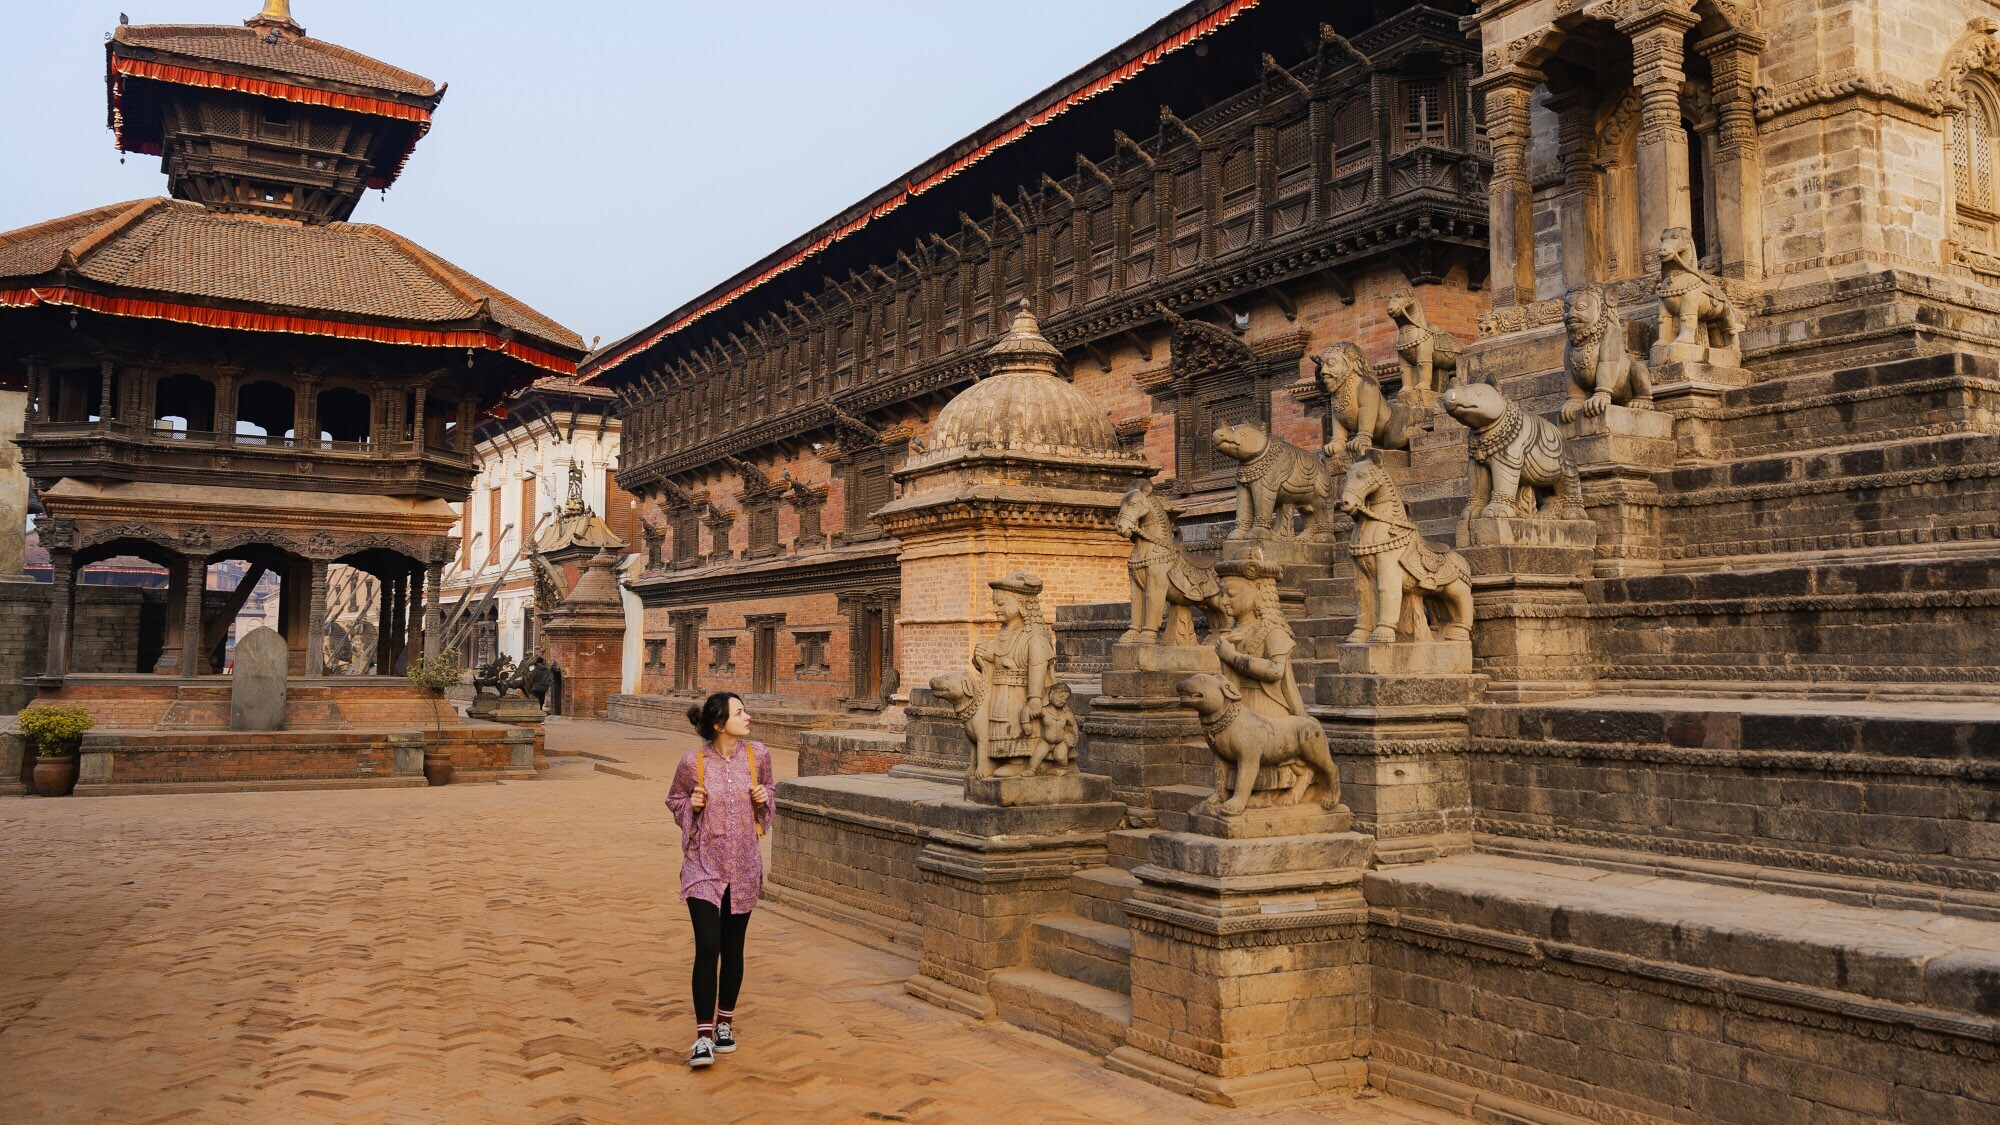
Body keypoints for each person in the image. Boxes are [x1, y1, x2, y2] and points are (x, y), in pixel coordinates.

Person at [664, 692, 773, 1069]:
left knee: (733, 946)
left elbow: (769, 795)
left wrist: (763, 796)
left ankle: (725, 1023)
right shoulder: (692, 762)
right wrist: (690, 804)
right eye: (740, 712)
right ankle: (703, 1037)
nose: (747, 716)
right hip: (703, 866)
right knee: (708, 945)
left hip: (743, 865)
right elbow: (674, 799)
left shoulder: (757, 756)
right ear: (718, 723)